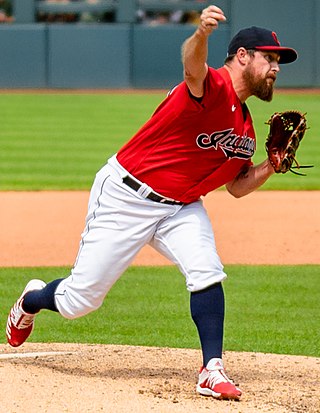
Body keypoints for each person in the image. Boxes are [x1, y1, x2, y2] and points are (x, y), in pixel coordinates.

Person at [6, 5, 298, 401]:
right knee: (80, 301)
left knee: (207, 269)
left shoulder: (245, 127)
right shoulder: (211, 86)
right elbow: (192, 66)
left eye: (278, 61)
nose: (275, 68)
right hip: (127, 195)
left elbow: (237, 186)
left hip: (180, 206)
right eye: (269, 58)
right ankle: (32, 299)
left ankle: (211, 369)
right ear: (242, 56)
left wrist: (270, 165)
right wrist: (201, 34)